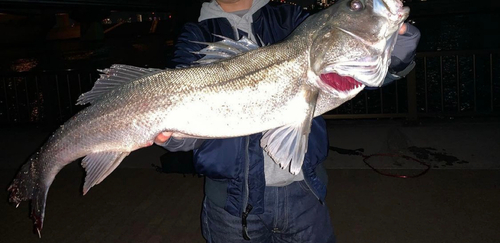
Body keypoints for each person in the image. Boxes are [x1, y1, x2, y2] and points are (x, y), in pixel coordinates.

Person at [155, 0, 420, 242]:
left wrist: (396, 57)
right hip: (231, 203)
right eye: (356, 5)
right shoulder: (196, 35)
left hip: (303, 193)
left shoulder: (288, 17)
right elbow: (184, 116)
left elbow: (349, 73)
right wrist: (176, 138)